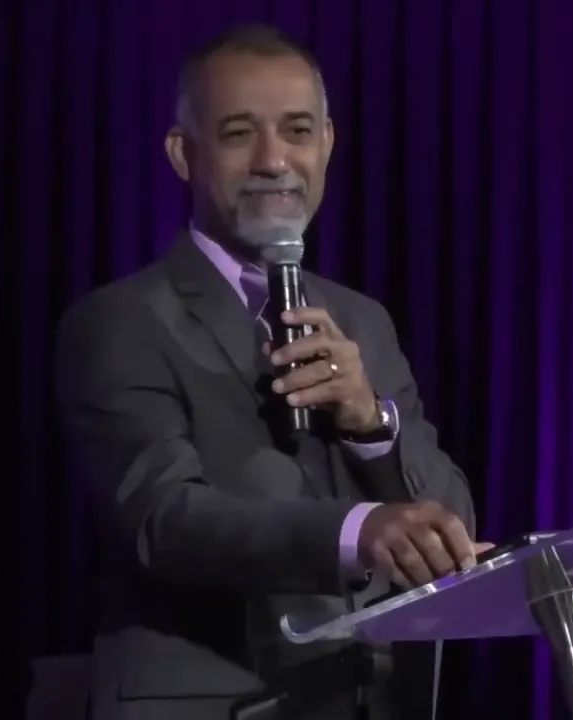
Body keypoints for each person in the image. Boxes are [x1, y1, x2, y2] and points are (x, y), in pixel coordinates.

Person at [55, 24, 486, 720]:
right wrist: (356, 530)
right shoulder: (121, 320)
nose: (273, 160)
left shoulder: (362, 320)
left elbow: (450, 522)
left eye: (297, 131)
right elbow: (164, 521)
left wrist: (370, 424)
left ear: (328, 144)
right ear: (183, 154)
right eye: (238, 134)